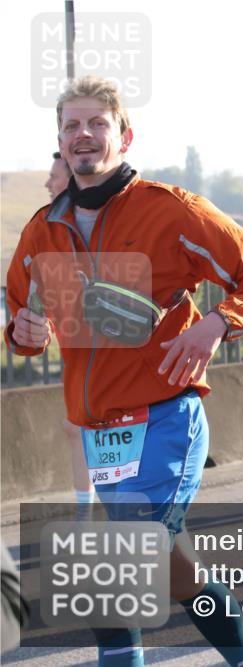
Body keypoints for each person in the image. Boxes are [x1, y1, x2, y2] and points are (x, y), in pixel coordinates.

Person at [4, 76, 243, 667]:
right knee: (178, 574)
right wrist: (23, 332)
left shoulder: (171, 210)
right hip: (102, 435)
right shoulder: (42, 230)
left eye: (96, 124)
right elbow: (20, 309)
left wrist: (215, 324)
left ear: (124, 135)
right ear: (60, 142)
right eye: (71, 127)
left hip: (165, 420)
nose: (83, 135)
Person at [42, 149, 98, 517]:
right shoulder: (53, 227)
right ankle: (88, 513)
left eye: (54, 177)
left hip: (103, 355)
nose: (47, 183)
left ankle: (89, 514)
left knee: (79, 429)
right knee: (76, 429)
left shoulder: (88, 228)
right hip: (77, 354)